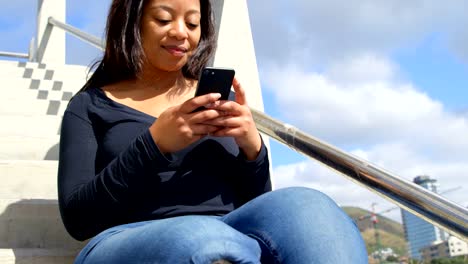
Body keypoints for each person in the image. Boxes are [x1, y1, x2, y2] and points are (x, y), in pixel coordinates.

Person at [57, 0, 368, 263]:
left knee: (309, 206)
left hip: (233, 229)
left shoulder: (216, 101)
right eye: (164, 19)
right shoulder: (89, 105)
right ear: (131, 22)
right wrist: (153, 145)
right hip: (130, 236)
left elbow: (257, 204)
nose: (181, 33)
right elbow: (77, 218)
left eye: (193, 24)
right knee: (206, 239)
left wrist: (251, 149)